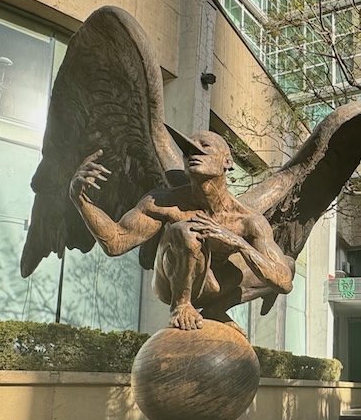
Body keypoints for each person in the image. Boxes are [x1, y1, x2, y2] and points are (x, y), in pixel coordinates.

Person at [70, 134, 295, 333]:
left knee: (287, 264)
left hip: (212, 283)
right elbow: (116, 242)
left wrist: (238, 243)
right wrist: (80, 201)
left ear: (227, 161)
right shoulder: (163, 201)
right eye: (187, 151)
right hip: (170, 283)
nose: (192, 154)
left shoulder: (248, 221)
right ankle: (181, 305)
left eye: (204, 147)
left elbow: (283, 283)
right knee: (188, 229)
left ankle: (216, 310)